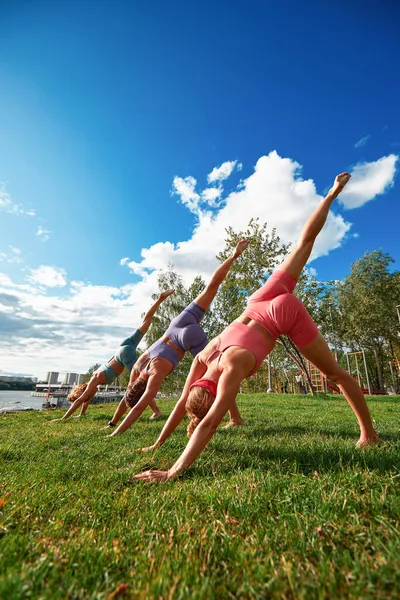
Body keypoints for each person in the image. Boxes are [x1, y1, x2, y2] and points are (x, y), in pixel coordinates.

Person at [133, 172, 381, 483]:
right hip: (258, 302)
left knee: (334, 374)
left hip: (280, 314)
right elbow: (184, 405)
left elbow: (207, 423)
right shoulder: (204, 358)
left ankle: (369, 435)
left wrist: (173, 472)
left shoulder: (231, 370)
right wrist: (158, 442)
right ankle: (331, 194)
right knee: (304, 244)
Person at [107, 240, 249, 435]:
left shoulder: (155, 375)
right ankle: (234, 255)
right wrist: (111, 422)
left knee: (217, 373)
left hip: (187, 340)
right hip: (176, 325)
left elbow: (138, 406)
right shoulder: (138, 367)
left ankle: (235, 418)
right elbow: (129, 394)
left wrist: (115, 430)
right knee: (211, 287)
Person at [49, 289, 174, 422]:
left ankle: (156, 412)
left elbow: (81, 399)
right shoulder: (95, 380)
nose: (87, 397)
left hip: (124, 355)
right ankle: (160, 299)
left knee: (138, 385)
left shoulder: (94, 380)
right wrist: (82, 413)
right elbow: (85, 400)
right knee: (145, 323)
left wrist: (63, 418)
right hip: (122, 348)